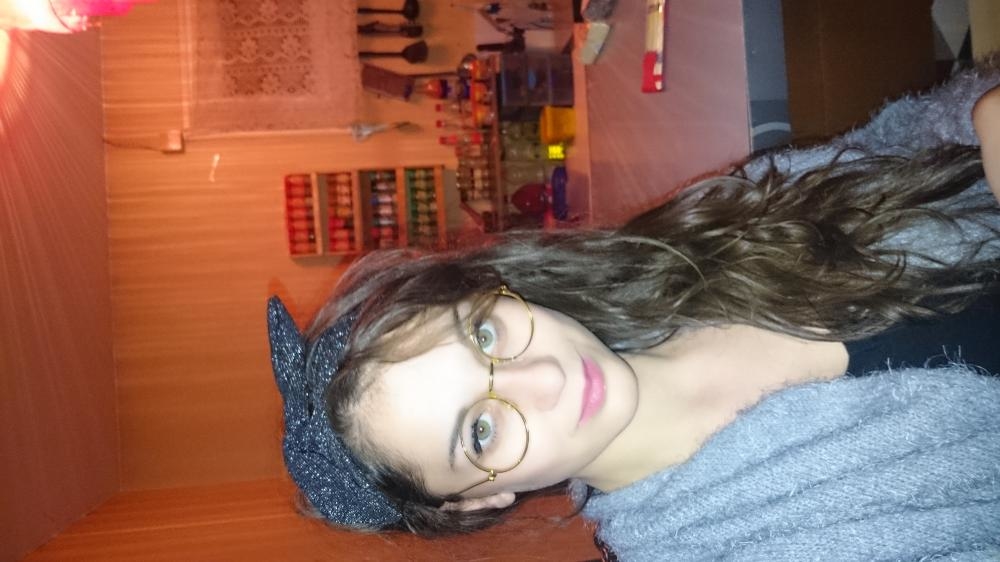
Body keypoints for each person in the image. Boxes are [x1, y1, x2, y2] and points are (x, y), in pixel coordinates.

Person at [266, 62, 1000, 560]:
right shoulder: (731, 542)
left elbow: (905, 147)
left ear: (488, 288)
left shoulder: (700, 230)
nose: (543, 377)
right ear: (474, 501)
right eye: (481, 431)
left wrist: (980, 115)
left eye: (485, 335)